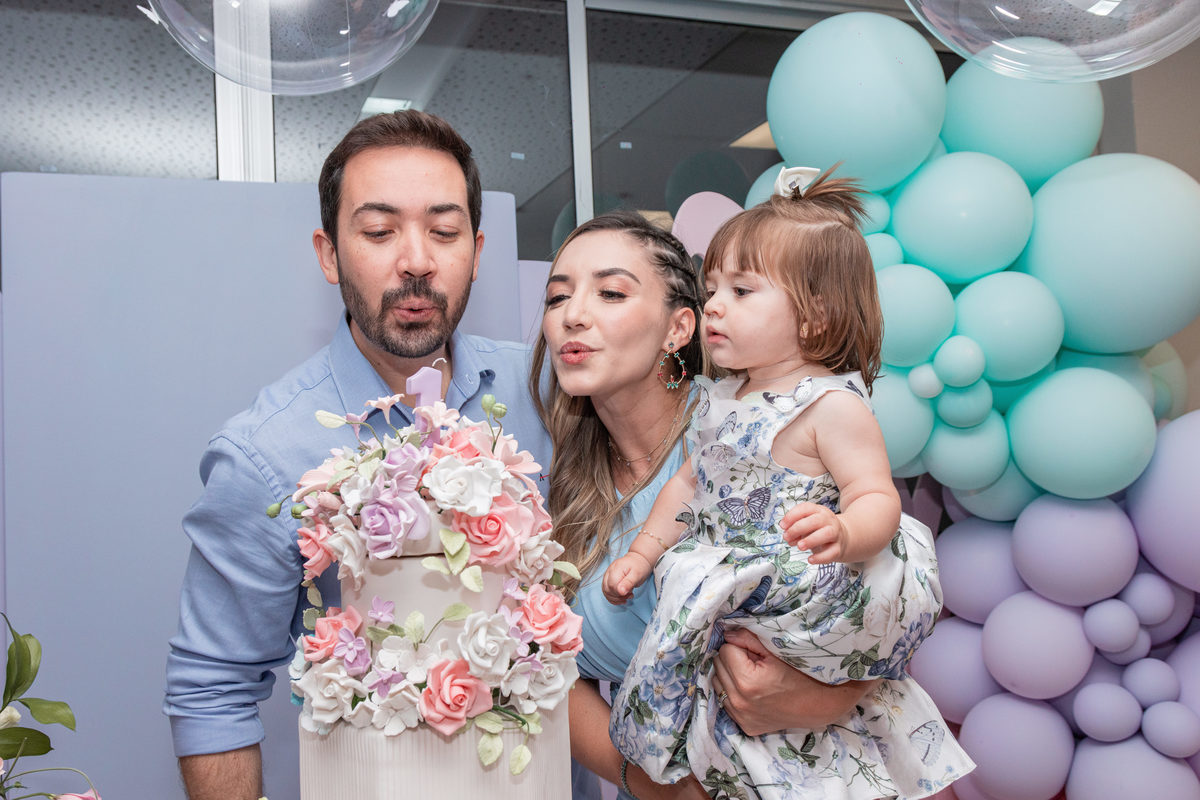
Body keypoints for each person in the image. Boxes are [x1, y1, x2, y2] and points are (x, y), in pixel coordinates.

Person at [163, 110, 551, 800]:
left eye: (444, 231)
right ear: (328, 254)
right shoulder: (266, 453)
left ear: (477, 250)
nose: (417, 260)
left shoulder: (547, 394)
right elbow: (212, 688)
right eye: (378, 231)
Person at [601, 167, 974, 799]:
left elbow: (876, 496)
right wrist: (643, 552)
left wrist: (845, 531)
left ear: (815, 316)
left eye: (742, 290)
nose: (714, 305)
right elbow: (688, 486)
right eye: (711, 288)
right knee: (741, 741)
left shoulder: (829, 405)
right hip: (730, 581)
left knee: (820, 744)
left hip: (799, 580)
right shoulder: (719, 399)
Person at [531, 210, 894, 800]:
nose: (573, 315)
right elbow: (541, 671)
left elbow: (883, 596)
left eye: (611, 292)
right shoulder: (555, 483)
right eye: (557, 297)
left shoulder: (773, 432)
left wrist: (825, 697)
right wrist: (659, 789)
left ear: (680, 328)